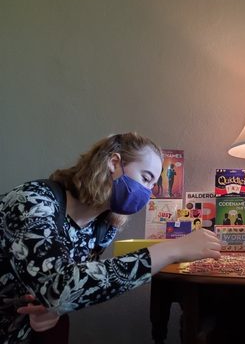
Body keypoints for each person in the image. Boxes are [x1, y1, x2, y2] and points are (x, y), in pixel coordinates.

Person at [0, 132, 221, 343]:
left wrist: (53, 309)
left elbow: (74, 288)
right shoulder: (32, 201)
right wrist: (172, 250)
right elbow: (58, 286)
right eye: (146, 178)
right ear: (114, 163)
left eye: (153, 185)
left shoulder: (103, 228)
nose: (149, 192)